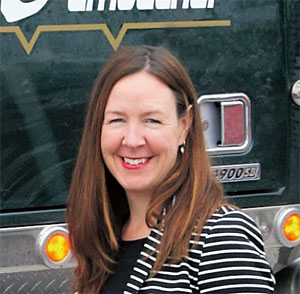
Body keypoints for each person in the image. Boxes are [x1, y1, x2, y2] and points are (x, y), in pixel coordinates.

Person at [67, 46, 275, 294]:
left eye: (151, 120)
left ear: (184, 125)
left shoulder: (219, 237)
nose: (132, 140)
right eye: (117, 120)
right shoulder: (104, 241)